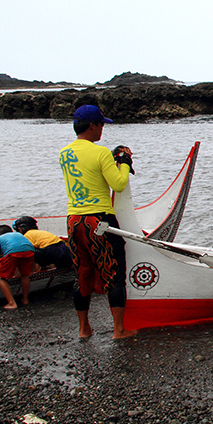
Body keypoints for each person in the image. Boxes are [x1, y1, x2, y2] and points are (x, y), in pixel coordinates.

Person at [59, 104, 136, 339]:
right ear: (92, 125)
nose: (102, 129)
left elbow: (86, 171)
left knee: (82, 273)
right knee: (115, 274)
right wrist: (123, 161)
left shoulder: (64, 153)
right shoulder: (100, 152)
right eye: (101, 124)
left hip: (74, 221)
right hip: (100, 220)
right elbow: (119, 184)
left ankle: (84, 329)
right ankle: (119, 330)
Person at [0, 224, 35, 309]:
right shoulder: (18, 235)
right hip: (30, 250)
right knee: (25, 275)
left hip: (13, 252)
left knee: (0, 277)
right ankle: (25, 299)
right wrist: (32, 270)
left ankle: (12, 303)